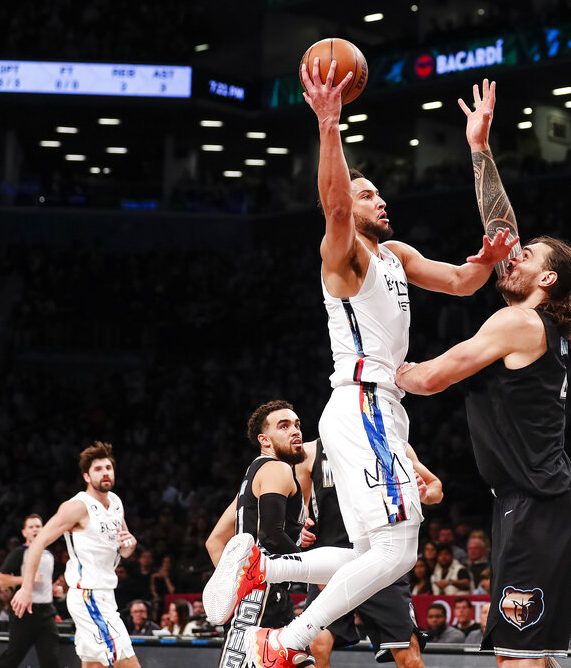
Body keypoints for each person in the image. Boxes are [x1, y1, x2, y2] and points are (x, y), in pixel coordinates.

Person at [201, 64, 516, 668]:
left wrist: (485, 253)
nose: (380, 199)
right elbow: (336, 205)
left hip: (376, 410)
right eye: (368, 193)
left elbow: (461, 281)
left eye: (378, 193)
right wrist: (329, 124)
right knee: (399, 553)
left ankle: (265, 568)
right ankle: (284, 642)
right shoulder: (343, 256)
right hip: (362, 402)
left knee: (376, 556)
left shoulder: (395, 254)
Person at [397, 79, 571, 667]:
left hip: (536, 506)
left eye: (527, 257)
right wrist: (479, 148)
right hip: (534, 503)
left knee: (516, 658)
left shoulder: (518, 323)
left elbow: (431, 379)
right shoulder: (537, 325)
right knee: (531, 655)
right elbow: (502, 233)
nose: (513, 255)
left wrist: (379, 369)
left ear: (547, 279)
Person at [297, 435, 441, 668]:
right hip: (333, 561)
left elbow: (436, 487)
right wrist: (300, 528)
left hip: (382, 556)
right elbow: (299, 509)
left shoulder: (393, 441)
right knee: (316, 647)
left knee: (409, 658)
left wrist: (424, 493)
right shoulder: (311, 451)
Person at [10, 441, 142, 668]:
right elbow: (38, 543)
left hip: (106, 593)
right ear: (87, 477)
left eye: (108, 468)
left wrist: (130, 545)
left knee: (93, 664)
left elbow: (124, 545)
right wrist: (26, 588)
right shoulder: (77, 507)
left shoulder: (116, 502)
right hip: (88, 595)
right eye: (98, 469)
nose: (105, 473)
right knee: (128, 662)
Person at [205, 400, 310, 652]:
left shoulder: (252, 477)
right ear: (265, 440)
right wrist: (312, 567)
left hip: (262, 596)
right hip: (263, 598)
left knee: (301, 660)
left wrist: (235, 585)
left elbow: (214, 542)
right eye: (284, 426)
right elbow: (271, 535)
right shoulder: (277, 468)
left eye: (297, 425)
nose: (295, 431)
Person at [0, 513, 60, 668]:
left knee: (51, 660)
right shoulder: (20, 552)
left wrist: (53, 590)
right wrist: (27, 579)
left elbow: (44, 581)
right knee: (13, 657)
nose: (35, 530)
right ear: (24, 532)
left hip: (47, 612)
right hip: (24, 612)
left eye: (38, 526)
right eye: (31, 527)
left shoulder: (49, 554)